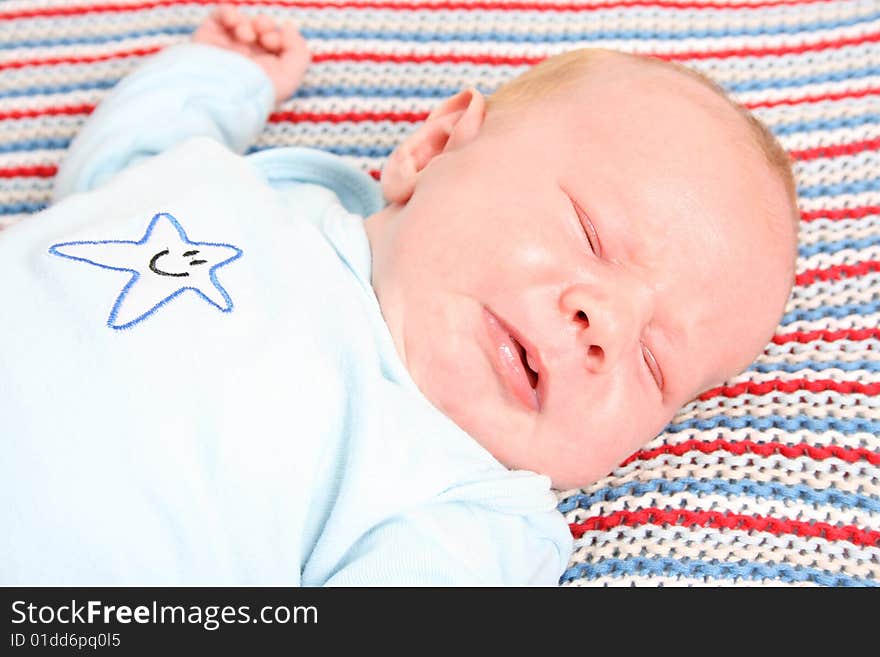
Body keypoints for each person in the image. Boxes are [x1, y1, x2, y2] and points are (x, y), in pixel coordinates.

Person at [0, 5, 798, 585]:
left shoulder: (464, 511)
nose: (607, 327)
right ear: (435, 146)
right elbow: (115, 178)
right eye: (589, 234)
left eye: (653, 364)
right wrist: (216, 78)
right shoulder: (260, 189)